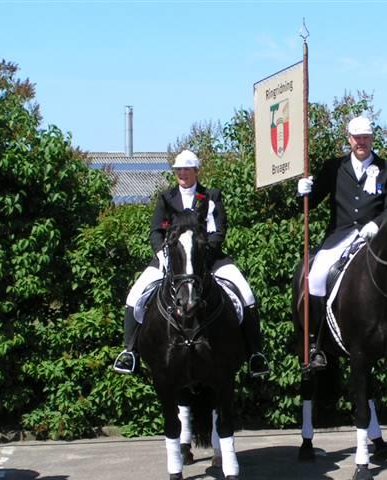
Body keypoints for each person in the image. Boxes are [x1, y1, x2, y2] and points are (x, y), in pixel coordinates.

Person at [112, 149, 270, 377]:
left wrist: (203, 256)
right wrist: (162, 254)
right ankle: (130, 352)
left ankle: (256, 354)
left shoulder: (211, 196)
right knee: (135, 295)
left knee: (246, 293)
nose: (182, 173)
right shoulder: (166, 198)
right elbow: (156, 232)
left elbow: (219, 230)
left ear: (196, 171)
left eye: (186, 169)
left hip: (209, 259)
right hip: (172, 261)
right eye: (178, 170)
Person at [297, 115, 387, 370]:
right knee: (314, 278)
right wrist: (303, 191)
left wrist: (377, 224)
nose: (362, 142)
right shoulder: (333, 168)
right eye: (357, 137)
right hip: (341, 235)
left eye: (366, 137)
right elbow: (310, 203)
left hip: (380, 239)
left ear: (372, 138)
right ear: (349, 139)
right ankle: (317, 343)